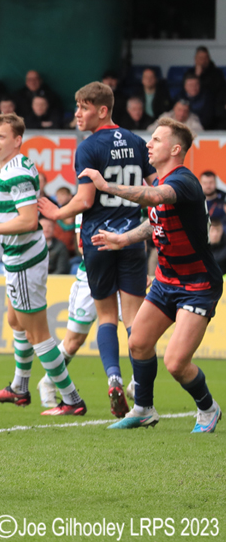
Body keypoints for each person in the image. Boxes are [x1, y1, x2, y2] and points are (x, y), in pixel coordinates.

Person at [85, 118, 222, 432]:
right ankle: (143, 409)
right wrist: (123, 239)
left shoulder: (183, 181)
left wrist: (106, 186)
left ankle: (208, 408)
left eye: (157, 140)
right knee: (138, 342)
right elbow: (156, 219)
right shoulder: (163, 183)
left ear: (175, 149)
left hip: (198, 284)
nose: (148, 144)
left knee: (176, 363)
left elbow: (156, 198)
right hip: (166, 279)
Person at [38, 81, 153, 417]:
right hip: (132, 238)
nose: (77, 113)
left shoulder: (88, 147)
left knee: (106, 318)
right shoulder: (137, 142)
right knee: (134, 320)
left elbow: (86, 199)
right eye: (77, 107)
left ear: (102, 110)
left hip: (99, 240)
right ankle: (140, 388)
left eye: (84, 108)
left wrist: (58, 213)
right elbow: (154, 190)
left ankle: (113, 377)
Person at [0, 113, 86, 416]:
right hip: (20, 256)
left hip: (25, 260)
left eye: (0, 136)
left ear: (17, 140)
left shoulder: (14, 172)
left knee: (37, 333)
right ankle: (19, 387)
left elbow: (29, 220)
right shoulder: (17, 165)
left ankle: (71, 399)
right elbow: (18, 216)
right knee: (16, 321)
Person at [37, 213, 99, 408]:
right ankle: (48, 381)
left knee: (139, 333)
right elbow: (82, 246)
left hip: (126, 274)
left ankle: (139, 389)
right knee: (73, 342)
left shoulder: (130, 200)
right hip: (91, 276)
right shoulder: (86, 204)